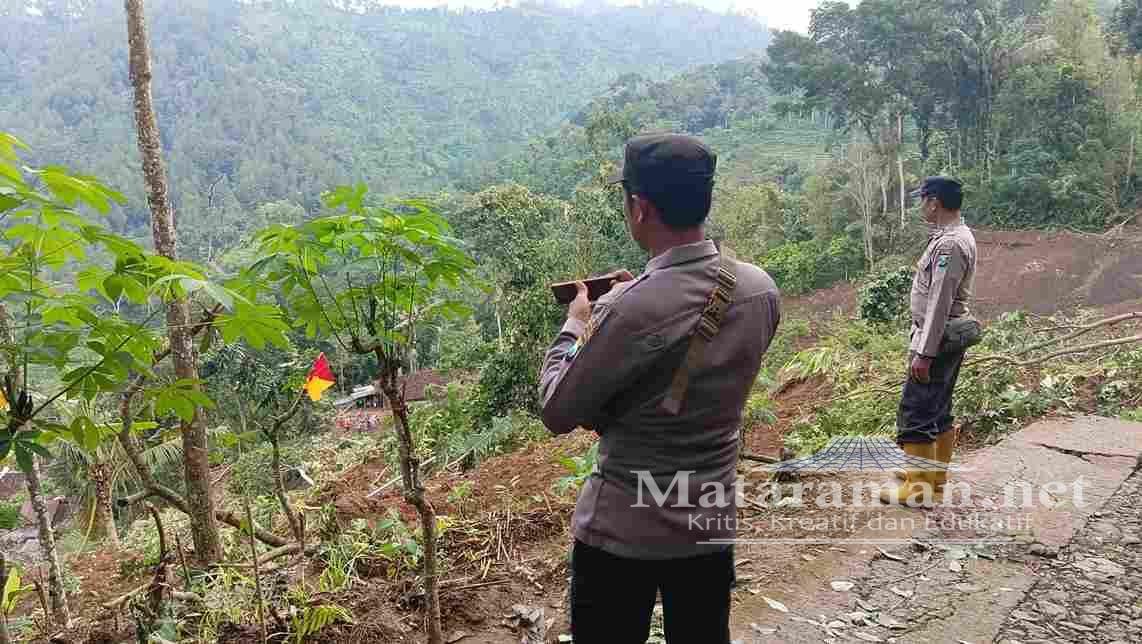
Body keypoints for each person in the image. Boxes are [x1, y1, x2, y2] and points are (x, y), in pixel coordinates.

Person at [537, 133, 781, 643]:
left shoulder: (626, 309)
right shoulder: (760, 290)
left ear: (640, 207)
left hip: (622, 534)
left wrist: (577, 323)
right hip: (709, 525)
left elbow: (557, 410)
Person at [882, 176, 978, 507]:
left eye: (922, 200)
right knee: (938, 407)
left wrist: (924, 353)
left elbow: (939, 302)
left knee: (917, 410)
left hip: (936, 339)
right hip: (946, 336)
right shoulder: (954, 236)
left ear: (934, 202)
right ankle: (932, 477)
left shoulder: (950, 245)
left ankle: (918, 488)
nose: (920, 206)